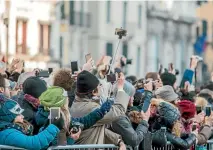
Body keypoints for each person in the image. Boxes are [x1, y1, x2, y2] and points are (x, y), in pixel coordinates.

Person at [36, 86, 114, 145]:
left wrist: (101, 112)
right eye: (66, 99)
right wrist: (72, 138)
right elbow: (58, 146)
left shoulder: (54, 115)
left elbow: (83, 122)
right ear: (60, 104)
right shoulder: (55, 120)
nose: (68, 100)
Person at [70, 70, 129, 147]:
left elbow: (97, 130)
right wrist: (120, 88)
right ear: (94, 92)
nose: (101, 87)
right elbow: (118, 110)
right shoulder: (91, 108)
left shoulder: (77, 103)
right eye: (99, 85)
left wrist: (118, 140)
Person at [110, 81, 153, 149]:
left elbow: (141, 110)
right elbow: (134, 140)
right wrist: (144, 121)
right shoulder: (119, 116)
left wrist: (148, 93)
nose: (133, 98)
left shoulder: (124, 110)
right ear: (125, 96)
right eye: (131, 95)